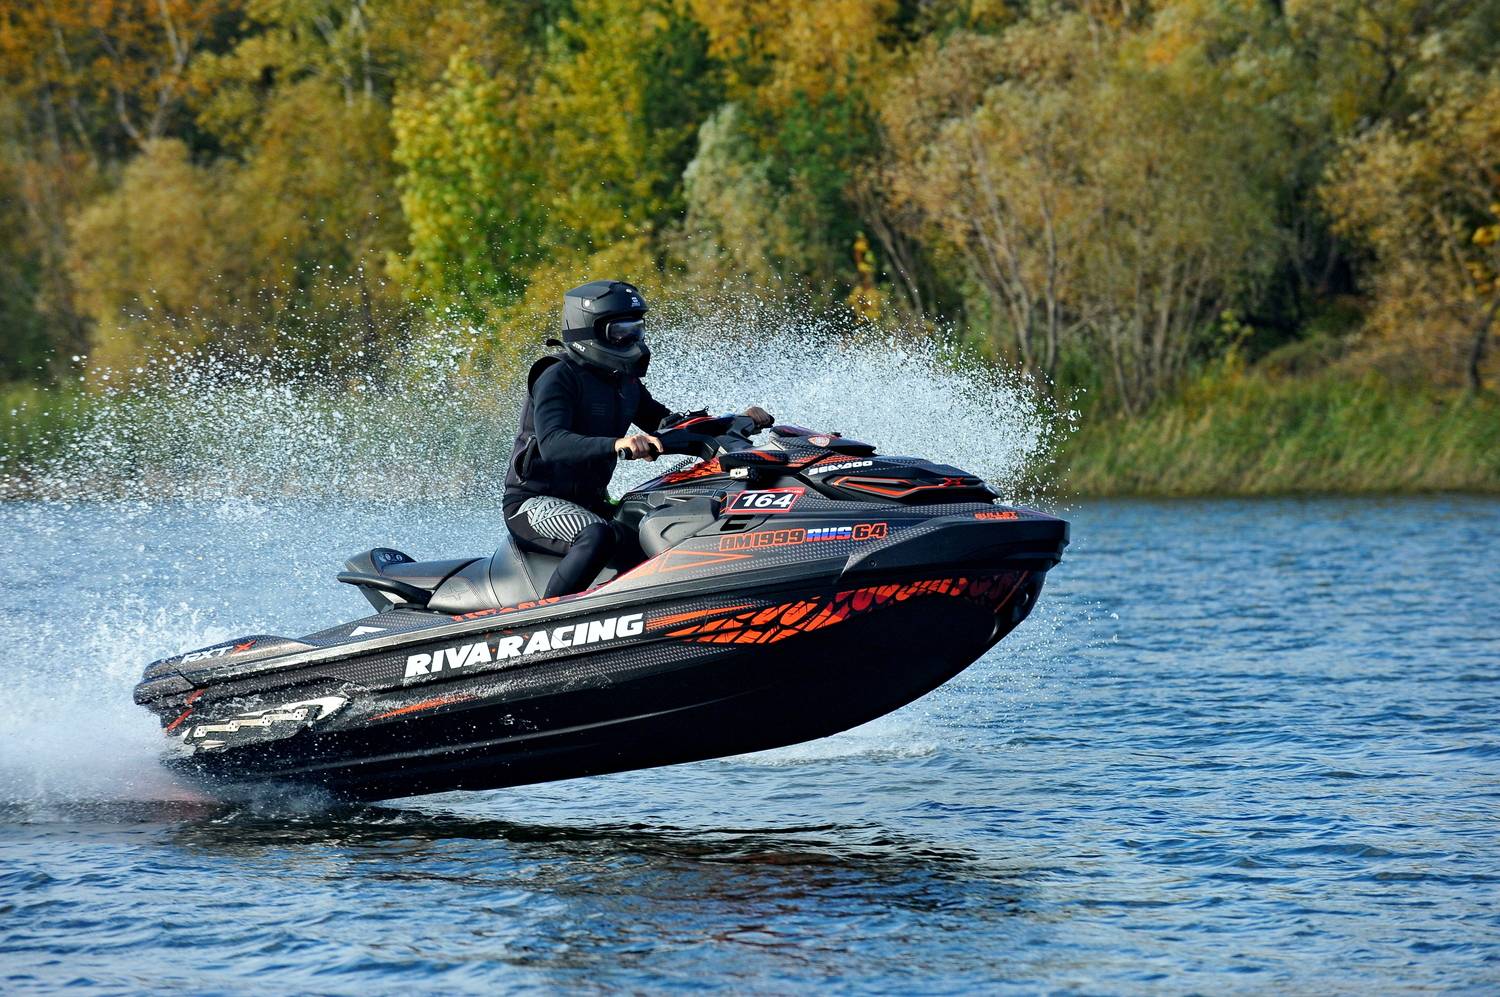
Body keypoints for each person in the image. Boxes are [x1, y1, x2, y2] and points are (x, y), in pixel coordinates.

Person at [503, 279, 773, 597]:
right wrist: (618, 444)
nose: (632, 340)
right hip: (532, 503)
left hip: (591, 503)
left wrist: (734, 421)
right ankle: (548, 618)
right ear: (589, 331)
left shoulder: (624, 382)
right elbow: (553, 443)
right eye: (621, 332)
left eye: (637, 330)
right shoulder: (557, 376)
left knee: (651, 527)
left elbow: (669, 425)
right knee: (597, 535)